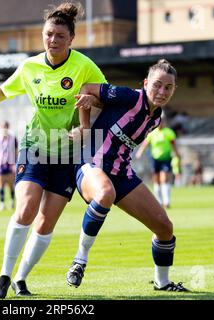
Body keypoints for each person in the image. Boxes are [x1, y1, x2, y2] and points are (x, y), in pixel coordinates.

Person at [0, 2, 107, 299]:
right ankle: (3, 276)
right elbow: (3, 90)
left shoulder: (85, 66)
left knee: (46, 221)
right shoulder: (30, 66)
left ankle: (21, 278)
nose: (53, 40)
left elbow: (105, 98)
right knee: (26, 208)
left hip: (67, 153)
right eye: (49, 34)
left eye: (60, 35)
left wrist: (88, 120)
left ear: (71, 39)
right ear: (42, 35)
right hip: (35, 145)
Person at [66, 59, 189, 292]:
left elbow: (106, 108)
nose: (161, 91)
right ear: (145, 83)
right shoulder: (130, 96)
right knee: (105, 193)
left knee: (164, 228)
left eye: (168, 87)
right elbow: (87, 88)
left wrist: (99, 103)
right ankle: (79, 261)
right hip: (91, 165)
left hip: (121, 173)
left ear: (174, 90)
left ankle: (162, 283)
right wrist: (84, 126)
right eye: (157, 85)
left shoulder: (156, 118)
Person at [135, 116, 181, 209]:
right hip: (155, 159)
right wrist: (140, 153)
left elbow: (173, 145)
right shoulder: (152, 133)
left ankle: (167, 201)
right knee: (156, 180)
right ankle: (159, 202)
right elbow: (145, 144)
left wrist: (177, 154)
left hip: (166, 158)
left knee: (164, 179)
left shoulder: (169, 132)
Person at [0, 121, 18, 211]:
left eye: (5, 127)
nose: (4, 129)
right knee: (0, 184)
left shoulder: (13, 137)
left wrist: (15, 162)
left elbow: (16, 150)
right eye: (2, 127)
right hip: (0, 163)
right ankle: (2, 203)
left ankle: (12, 201)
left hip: (10, 163)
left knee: (11, 185)